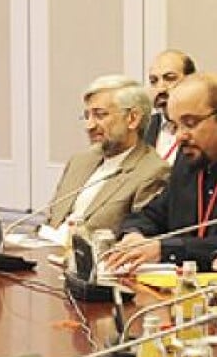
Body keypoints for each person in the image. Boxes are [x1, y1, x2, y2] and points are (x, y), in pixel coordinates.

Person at [106, 73, 217, 273]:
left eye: (190, 123)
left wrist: (165, 250)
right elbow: (152, 214)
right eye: (175, 126)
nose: (180, 136)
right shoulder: (187, 162)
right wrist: (134, 234)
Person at [45, 75, 168, 236]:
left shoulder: (153, 172)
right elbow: (51, 219)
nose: (89, 126)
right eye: (87, 116)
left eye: (100, 115)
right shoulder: (80, 160)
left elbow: (134, 237)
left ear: (132, 118)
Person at [145, 49, 196, 164]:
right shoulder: (142, 129)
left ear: (191, 81)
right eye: (154, 81)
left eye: (170, 78)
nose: (160, 88)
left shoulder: (206, 128)